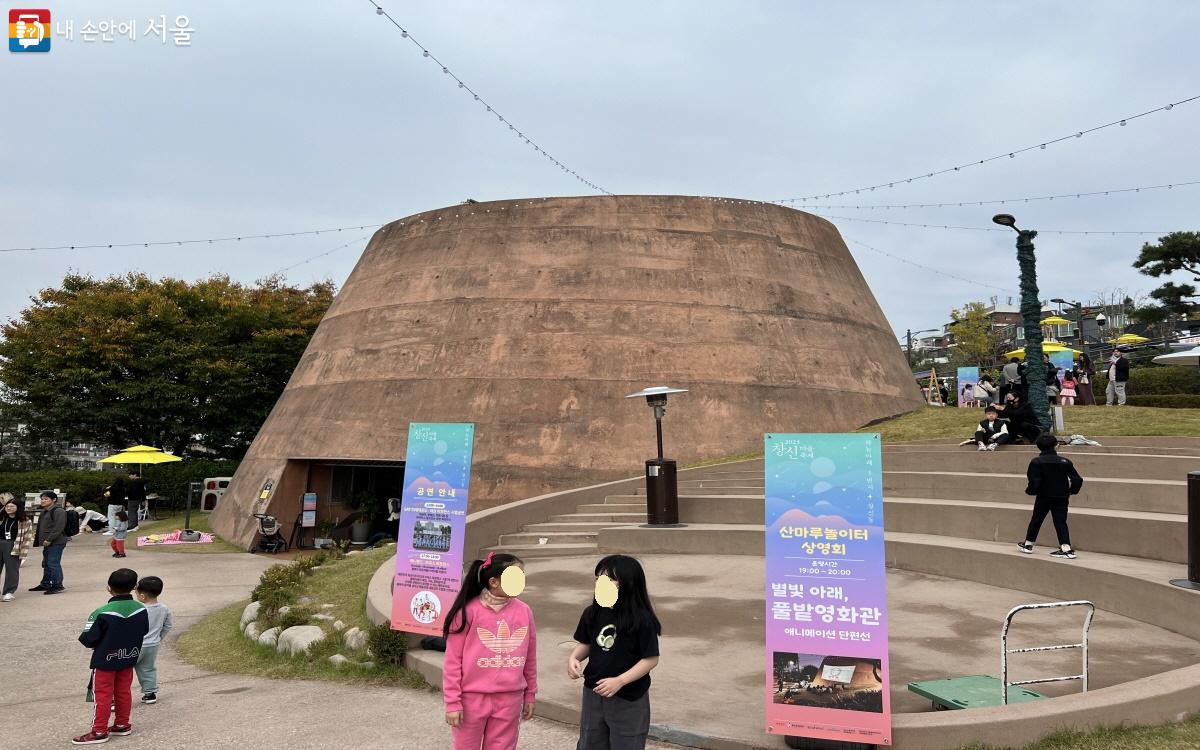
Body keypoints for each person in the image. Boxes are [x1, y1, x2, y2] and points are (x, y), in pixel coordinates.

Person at [442, 552, 537, 750]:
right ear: (494, 581)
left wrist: (530, 695)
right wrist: (453, 703)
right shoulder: (467, 611)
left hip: (510, 700)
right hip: (471, 700)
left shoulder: (524, 611)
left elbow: (530, 657)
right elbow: (452, 662)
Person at [569, 554, 662, 750]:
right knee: (590, 741)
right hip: (594, 691)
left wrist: (620, 681)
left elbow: (650, 659)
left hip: (628, 696)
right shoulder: (592, 613)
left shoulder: (641, 620)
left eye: (610, 579)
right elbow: (586, 643)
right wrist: (574, 657)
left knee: (627, 741)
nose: (602, 584)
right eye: (598, 579)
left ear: (629, 584)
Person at [73, 568, 149, 745]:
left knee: (103, 695)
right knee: (124, 691)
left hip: (105, 661)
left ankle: (99, 731)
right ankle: (122, 724)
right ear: (134, 587)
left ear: (109, 588)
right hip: (129, 657)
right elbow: (144, 631)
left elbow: (88, 639)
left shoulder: (101, 612)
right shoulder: (141, 609)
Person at [1017, 434, 1084, 559]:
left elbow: (1035, 481)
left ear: (1038, 447)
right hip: (1062, 496)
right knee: (1060, 521)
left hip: (1044, 496)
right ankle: (1066, 548)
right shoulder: (1065, 462)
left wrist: (1031, 491)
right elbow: (1077, 479)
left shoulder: (1036, 462)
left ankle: (1028, 544)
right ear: (1055, 446)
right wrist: (1072, 491)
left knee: (1037, 519)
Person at [135, 576, 172, 705]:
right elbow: (168, 626)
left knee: (124, 670)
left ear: (143, 596)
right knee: (148, 669)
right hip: (153, 645)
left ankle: (117, 697)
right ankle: (150, 693)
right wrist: (158, 638)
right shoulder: (164, 608)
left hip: (136, 645)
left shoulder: (138, 609)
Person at [31, 491, 70, 595]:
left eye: (46, 499)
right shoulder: (45, 511)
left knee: (53, 563)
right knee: (46, 563)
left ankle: (57, 585)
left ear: (54, 500)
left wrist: (49, 539)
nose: (43, 501)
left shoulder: (58, 511)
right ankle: (45, 583)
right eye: (42, 499)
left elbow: (59, 527)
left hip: (56, 542)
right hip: (48, 542)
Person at [2, 492, 34, 602]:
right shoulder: (1, 517)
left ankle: (9, 592)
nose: (8, 508)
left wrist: (23, 552)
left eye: (12, 506)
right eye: (7, 506)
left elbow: (27, 537)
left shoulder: (25, 520)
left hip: (13, 545)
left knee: (12, 570)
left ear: (18, 507)